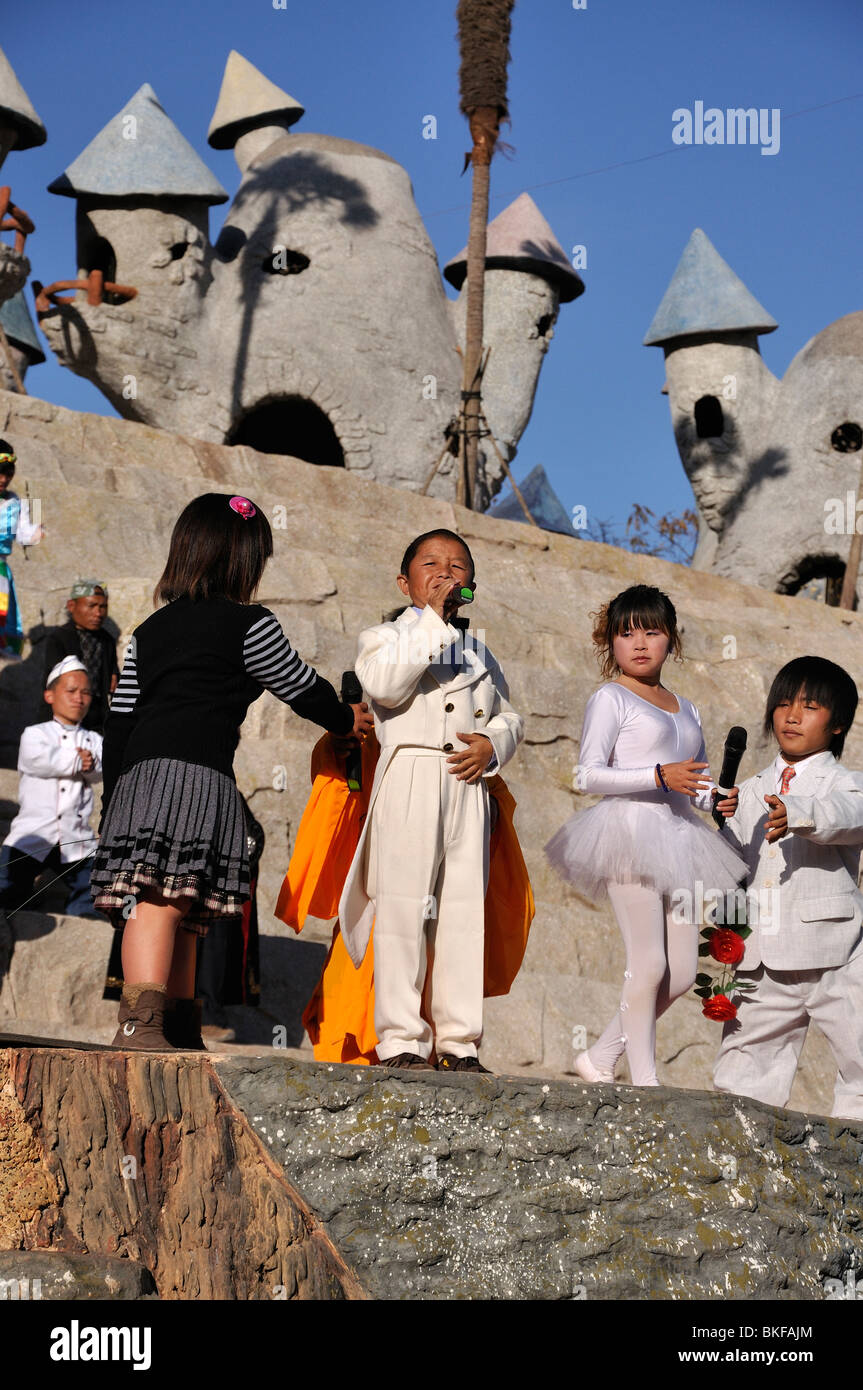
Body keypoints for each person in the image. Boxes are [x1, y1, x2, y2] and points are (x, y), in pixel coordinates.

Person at [91, 492, 373, 1053]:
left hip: (142, 776)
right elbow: (298, 685)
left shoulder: (149, 631)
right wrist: (347, 719)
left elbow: (120, 719)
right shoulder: (251, 624)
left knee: (183, 903)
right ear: (243, 561)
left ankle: (178, 1023)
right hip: (194, 778)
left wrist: (113, 800)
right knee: (166, 901)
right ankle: (140, 1025)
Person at [337, 528, 524, 1072]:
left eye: (459, 567)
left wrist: (493, 744)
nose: (447, 573)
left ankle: (459, 1043)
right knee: (404, 905)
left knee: (465, 910)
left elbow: (510, 716)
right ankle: (399, 1039)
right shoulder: (384, 637)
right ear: (406, 580)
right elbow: (388, 687)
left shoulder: (479, 650)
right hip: (412, 772)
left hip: (467, 781)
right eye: (432, 564)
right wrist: (433, 620)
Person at [545, 584, 746, 1087]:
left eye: (652, 631)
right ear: (609, 641)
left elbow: (689, 786)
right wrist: (657, 774)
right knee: (649, 963)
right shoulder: (611, 697)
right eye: (625, 632)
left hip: (679, 839)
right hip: (627, 836)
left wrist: (713, 798)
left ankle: (599, 1057)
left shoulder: (688, 708)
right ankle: (646, 1082)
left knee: (679, 973)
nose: (638, 643)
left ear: (671, 640)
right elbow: (586, 775)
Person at [713, 656, 863, 1120]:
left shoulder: (849, 785)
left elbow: (845, 816)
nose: (791, 716)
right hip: (760, 961)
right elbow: (734, 867)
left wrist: (796, 812)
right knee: (741, 1084)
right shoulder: (749, 787)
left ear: (837, 724)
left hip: (837, 953)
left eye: (810, 706)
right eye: (782, 704)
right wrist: (719, 824)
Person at [0, 656, 103, 917]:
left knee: (95, 892)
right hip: (34, 832)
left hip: (76, 835)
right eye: (70, 691)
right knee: (6, 888)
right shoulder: (35, 734)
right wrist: (77, 760)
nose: (79, 698)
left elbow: (102, 769)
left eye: (86, 692)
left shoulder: (94, 739)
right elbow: (38, 760)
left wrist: (90, 765)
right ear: (49, 695)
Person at [41, 581, 119, 732]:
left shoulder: (107, 640)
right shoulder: (58, 639)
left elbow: (112, 679)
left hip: (97, 719)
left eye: (103, 607)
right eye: (91, 606)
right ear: (72, 606)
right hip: (64, 718)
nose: (98, 613)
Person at [0, 439, 43, 656]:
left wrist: (38, 530)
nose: (3, 479)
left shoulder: (15, 502)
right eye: (0, 473)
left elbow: (25, 534)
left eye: (8, 474)